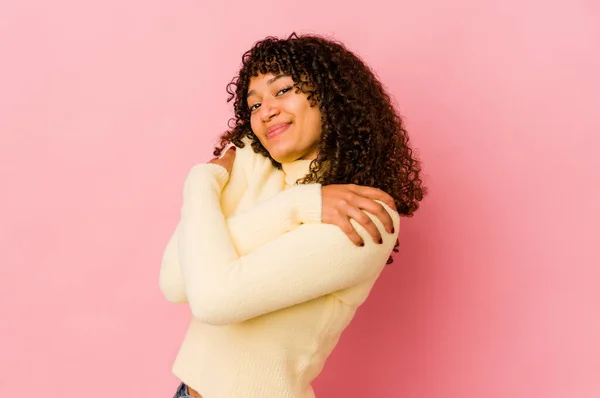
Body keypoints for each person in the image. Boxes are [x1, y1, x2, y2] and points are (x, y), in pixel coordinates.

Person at [159, 32, 426, 398]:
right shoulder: (254, 163)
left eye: (282, 90)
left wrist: (204, 186)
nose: (266, 111)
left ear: (332, 97)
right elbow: (175, 281)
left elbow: (213, 299)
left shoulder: (366, 212)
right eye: (254, 105)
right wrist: (203, 180)